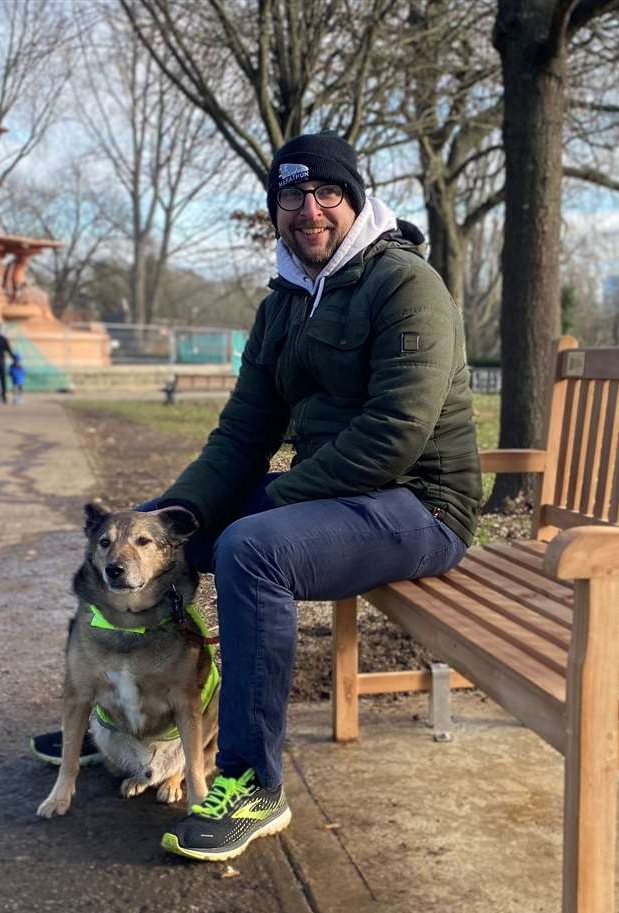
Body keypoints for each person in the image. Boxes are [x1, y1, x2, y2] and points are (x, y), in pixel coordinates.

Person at [35, 132, 480, 863]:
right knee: (154, 541)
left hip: (419, 503)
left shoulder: (406, 284)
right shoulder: (285, 303)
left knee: (251, 548)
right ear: (275, 209)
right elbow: (242, 431)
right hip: (342, 496)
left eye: (326, 193)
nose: (309, 210)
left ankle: (251, 781)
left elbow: (395, 434)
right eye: (291, 196)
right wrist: (167, 519)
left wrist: (275, 506)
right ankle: (125, 708)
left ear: (354, 199)